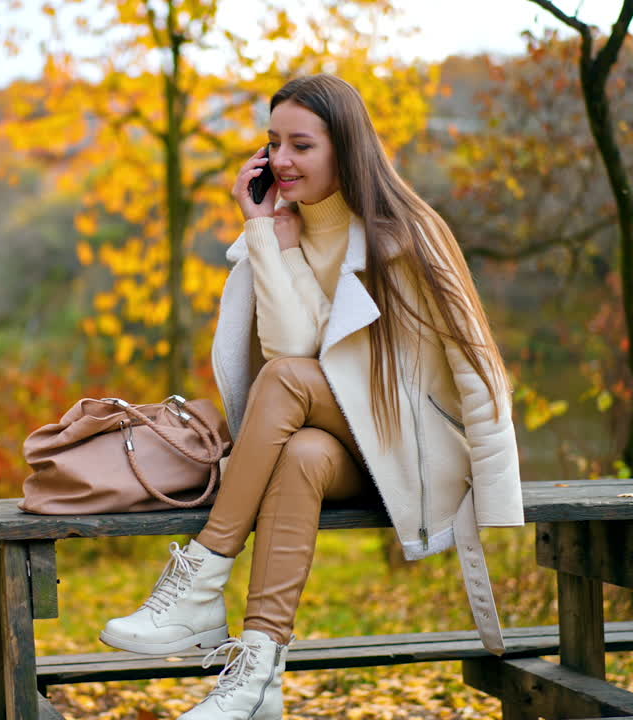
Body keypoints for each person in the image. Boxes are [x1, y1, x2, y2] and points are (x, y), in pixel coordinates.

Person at [101, 74, 524, 719]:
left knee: (287, 383)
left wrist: (496, 496)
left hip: (408, 447)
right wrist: (269, 238)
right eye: (273, 143)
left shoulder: (410, 232)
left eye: (301, 144)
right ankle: (256, 678)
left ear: (344, 148)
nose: (281, 160)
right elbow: (294, 344)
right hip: (339, 448)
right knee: (299, 452)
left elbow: (478, 364)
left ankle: (202, 576)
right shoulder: (277, 234)